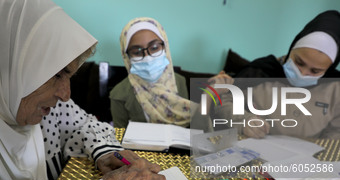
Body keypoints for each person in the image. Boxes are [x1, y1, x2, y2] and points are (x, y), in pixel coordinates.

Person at [0, 1, 167, 180]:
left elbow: (85, 124)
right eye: (57, 74)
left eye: (70, 76)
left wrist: (107, 152)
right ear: (14, 65)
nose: (66, 94)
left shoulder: (43, 110)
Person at [215, 10, 340, 139]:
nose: (302, 73)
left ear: (328, 69)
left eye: (315, 71)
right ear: (292, 49)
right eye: (299, 62)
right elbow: (223, 102)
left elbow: (335, 136)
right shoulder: (260, 72)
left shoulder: (335, 88)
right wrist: (244, 121)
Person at [109, 17, 191, 129]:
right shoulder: (119, 94)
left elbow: (189, 123)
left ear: (165, 46)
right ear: (127, 57)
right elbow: (119, 132)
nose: (147, 57)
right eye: (137, 52)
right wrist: (122, 146)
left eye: (154, 47)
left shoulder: (179, 81)